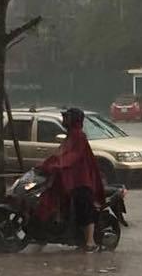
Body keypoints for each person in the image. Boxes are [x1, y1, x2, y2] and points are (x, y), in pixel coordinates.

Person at [38, 108, 105, 253]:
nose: (64, 119)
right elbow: (59, 154)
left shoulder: (79, 136)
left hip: (82, 179)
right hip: (69, 179)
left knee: (83, 207)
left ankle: (90, 242)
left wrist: (58, 165)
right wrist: (45, 165)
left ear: (74, 119)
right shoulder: (70, 137)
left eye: (67, 117)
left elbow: (72, 156)